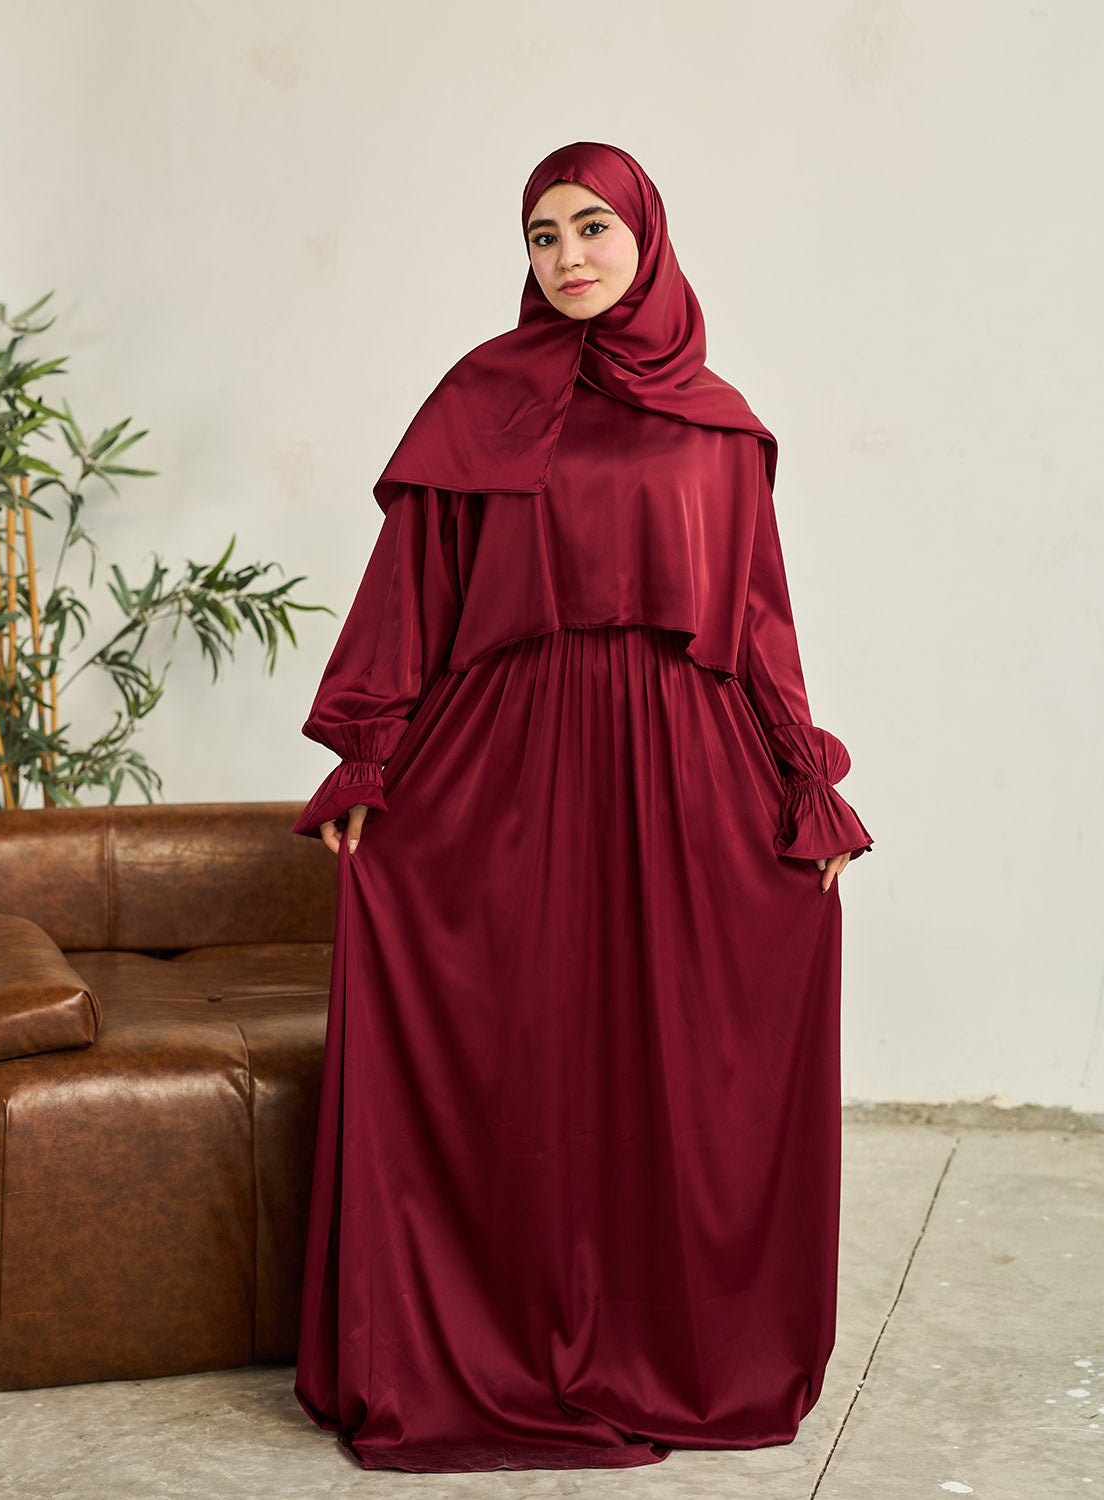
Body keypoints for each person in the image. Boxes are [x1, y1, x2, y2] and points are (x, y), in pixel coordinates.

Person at [289, 139, 872, 1474]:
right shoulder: (478, 401)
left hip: (687, 765)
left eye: (592, 227)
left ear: (646, 237)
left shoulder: (719, 423)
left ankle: (670, 1343)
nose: (567, 256)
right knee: (523, 1046)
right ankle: (499, 1333)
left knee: (679, 1052)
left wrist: (805, 782)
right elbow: (413, 593)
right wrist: (369, 760)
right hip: (509, 763)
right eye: (542, 235)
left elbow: (759, 623)